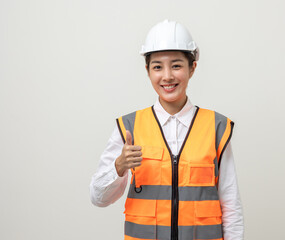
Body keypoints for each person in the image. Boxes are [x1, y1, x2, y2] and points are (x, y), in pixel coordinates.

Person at [90, 19, 244, 240]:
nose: (167, 76)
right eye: (157, 67)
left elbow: (231, 206)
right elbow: (98, 198)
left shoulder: (216, 128)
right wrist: (119, 166)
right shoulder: (129, 129)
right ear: (147, 71)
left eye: (176, 65)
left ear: (192, 68)